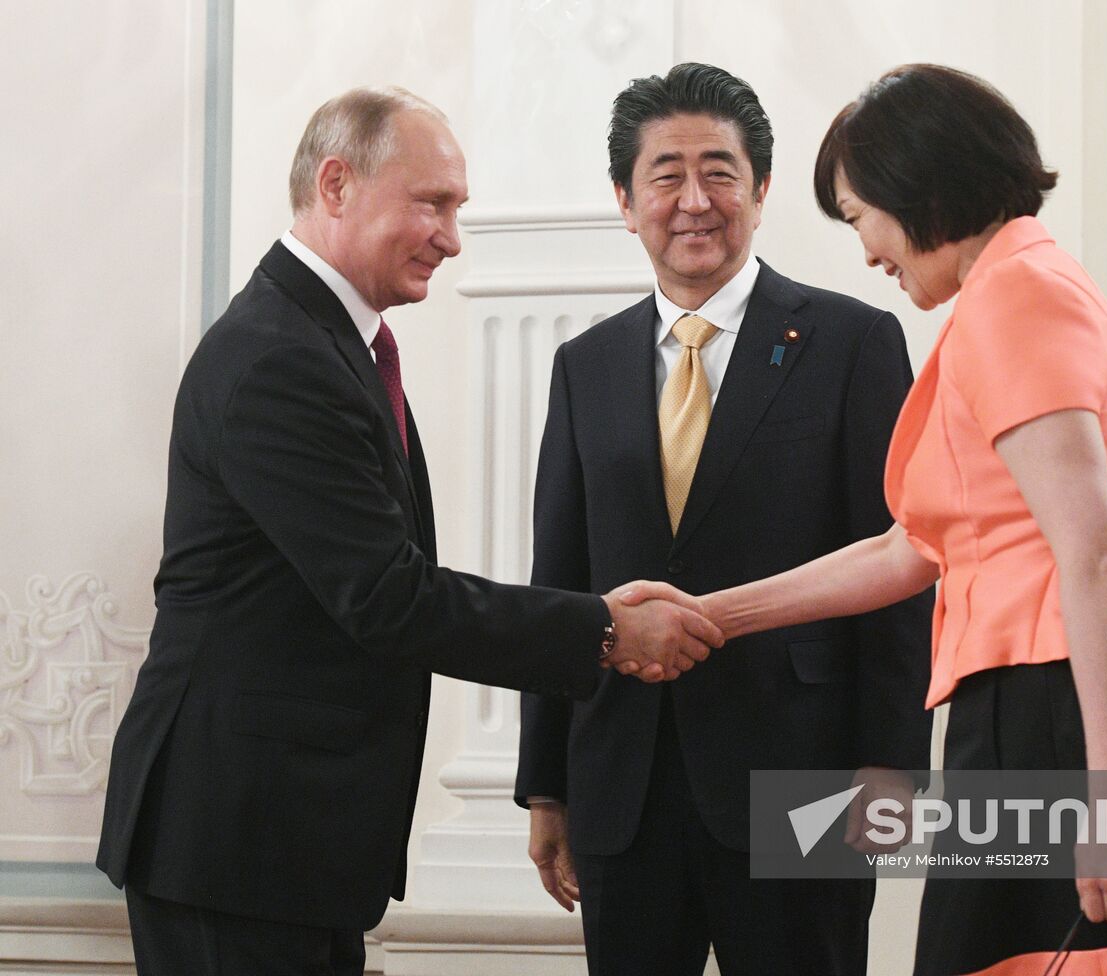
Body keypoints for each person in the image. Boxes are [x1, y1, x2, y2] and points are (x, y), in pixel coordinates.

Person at [622, 64, 1107, 975]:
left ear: (915, 187)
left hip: (1064, 711)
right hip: (1050, 701)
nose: (867, 249)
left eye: (858, 213)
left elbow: (1097, 554)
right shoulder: (1012, 289)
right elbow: (914, 546)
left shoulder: (1016, 297)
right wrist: (714, 615)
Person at [96, 86, 719, 976]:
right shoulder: (281, 358)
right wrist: (607, 630)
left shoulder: (331, 343)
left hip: (277, 844)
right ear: (337, 183)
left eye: (456, 207)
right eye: (432, 203)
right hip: (235, 842)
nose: (452, 236)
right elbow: (388, 597)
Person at [514, 63, 934, 976]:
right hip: (622, 782)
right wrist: (546, 785)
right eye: (666, 175)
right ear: (626, 201)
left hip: (806, 780)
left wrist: (893, 766)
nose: (694, 201)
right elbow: (560, 578)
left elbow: (904, 562)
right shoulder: (584, 365)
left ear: (761, 190)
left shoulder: (854, 344)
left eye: (721, 173)